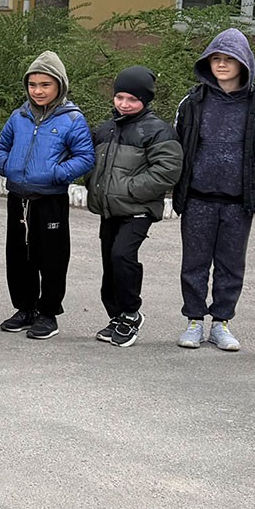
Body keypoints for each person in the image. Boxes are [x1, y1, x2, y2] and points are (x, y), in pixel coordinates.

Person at [171, 27, 255, 353]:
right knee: (194, 262)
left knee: (231, 264)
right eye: (216, 58)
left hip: (237, 201)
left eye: (229, 59)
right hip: (198, 197)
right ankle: (193, 321)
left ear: (243, 63)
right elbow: (178, 146)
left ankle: (221, 323)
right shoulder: (193, 101)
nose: (221, 64)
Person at [0, 50, 94, 340]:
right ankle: (25, 308)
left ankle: (48, 313)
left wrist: (56, 174)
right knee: (18, 254)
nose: (37, 91)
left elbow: (85, 157)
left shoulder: (72, 119)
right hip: (18, 198)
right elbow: (1, 146)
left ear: (59, 85)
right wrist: (6, 167)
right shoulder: (19, 116)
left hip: (50, 201)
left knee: (51, 257)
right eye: (32, 85)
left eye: (45, 85)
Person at [86, 67, 185, 348]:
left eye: (132, 99)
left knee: (122, 256)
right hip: (109, 209)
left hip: (138, 209)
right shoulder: (107, 128)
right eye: (120, 97)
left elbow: (167, 171)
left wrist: (128, 189)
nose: (124, 104)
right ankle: (115, 315)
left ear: (145, 99)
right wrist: (92, 181)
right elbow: (91, 161)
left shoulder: (158, 131)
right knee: (109, 264)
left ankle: (131, 313)